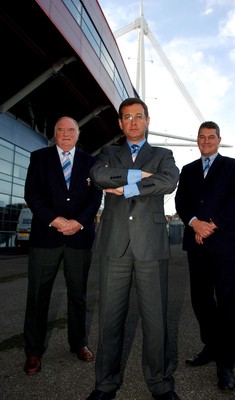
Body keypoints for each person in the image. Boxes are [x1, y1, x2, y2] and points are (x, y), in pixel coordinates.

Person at [86, 98, 180, 400]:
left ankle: (160, 383)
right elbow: (98, 176)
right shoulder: (108, 152)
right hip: (115, 244)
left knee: (155, 320)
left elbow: (169, 180)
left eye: (139, 116)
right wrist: (138, 175)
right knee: (110, 318)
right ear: (120, 123)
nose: (133, 122)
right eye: (127, 117)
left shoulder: (163, 154)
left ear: (148, 120)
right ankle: (106, 383)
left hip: (150, 245)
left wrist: (126, 186)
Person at [23, 116, 102, 375]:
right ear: (54, 134)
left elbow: (95, 196)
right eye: (61, 130)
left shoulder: (91, 163)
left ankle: (78, 343)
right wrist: (56, 220)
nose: (66, 134)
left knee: (77, 296)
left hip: (79, 238)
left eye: (71, 130)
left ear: (78, 135)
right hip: (45, 238)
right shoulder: (39, 158)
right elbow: (31, 194)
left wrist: (78, 222)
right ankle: (33, 352)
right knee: (37, 297)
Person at [175, 121, 235, 392]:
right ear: (197, 140)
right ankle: (211, 346)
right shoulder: (189, 170)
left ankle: (225, 364)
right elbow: (182, 202)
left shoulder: (232, 166)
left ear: (219, 139)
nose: (206, 141)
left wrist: (210, 225)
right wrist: (194, 223)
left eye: (211, 137)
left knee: (227, 302)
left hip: (222, 244)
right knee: (201, 300)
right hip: (196, 243)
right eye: (202, 137)